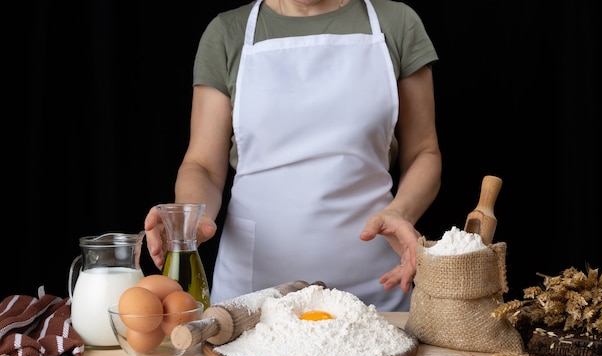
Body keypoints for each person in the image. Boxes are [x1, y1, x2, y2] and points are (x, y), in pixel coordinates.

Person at [144, 0, 441, 312]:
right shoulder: (227, 33)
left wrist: (401, 213)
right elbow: (202, 165)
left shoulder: (395, 23)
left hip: (376, 291)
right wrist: (192, 218)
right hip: (253, 300)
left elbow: (424, 151)